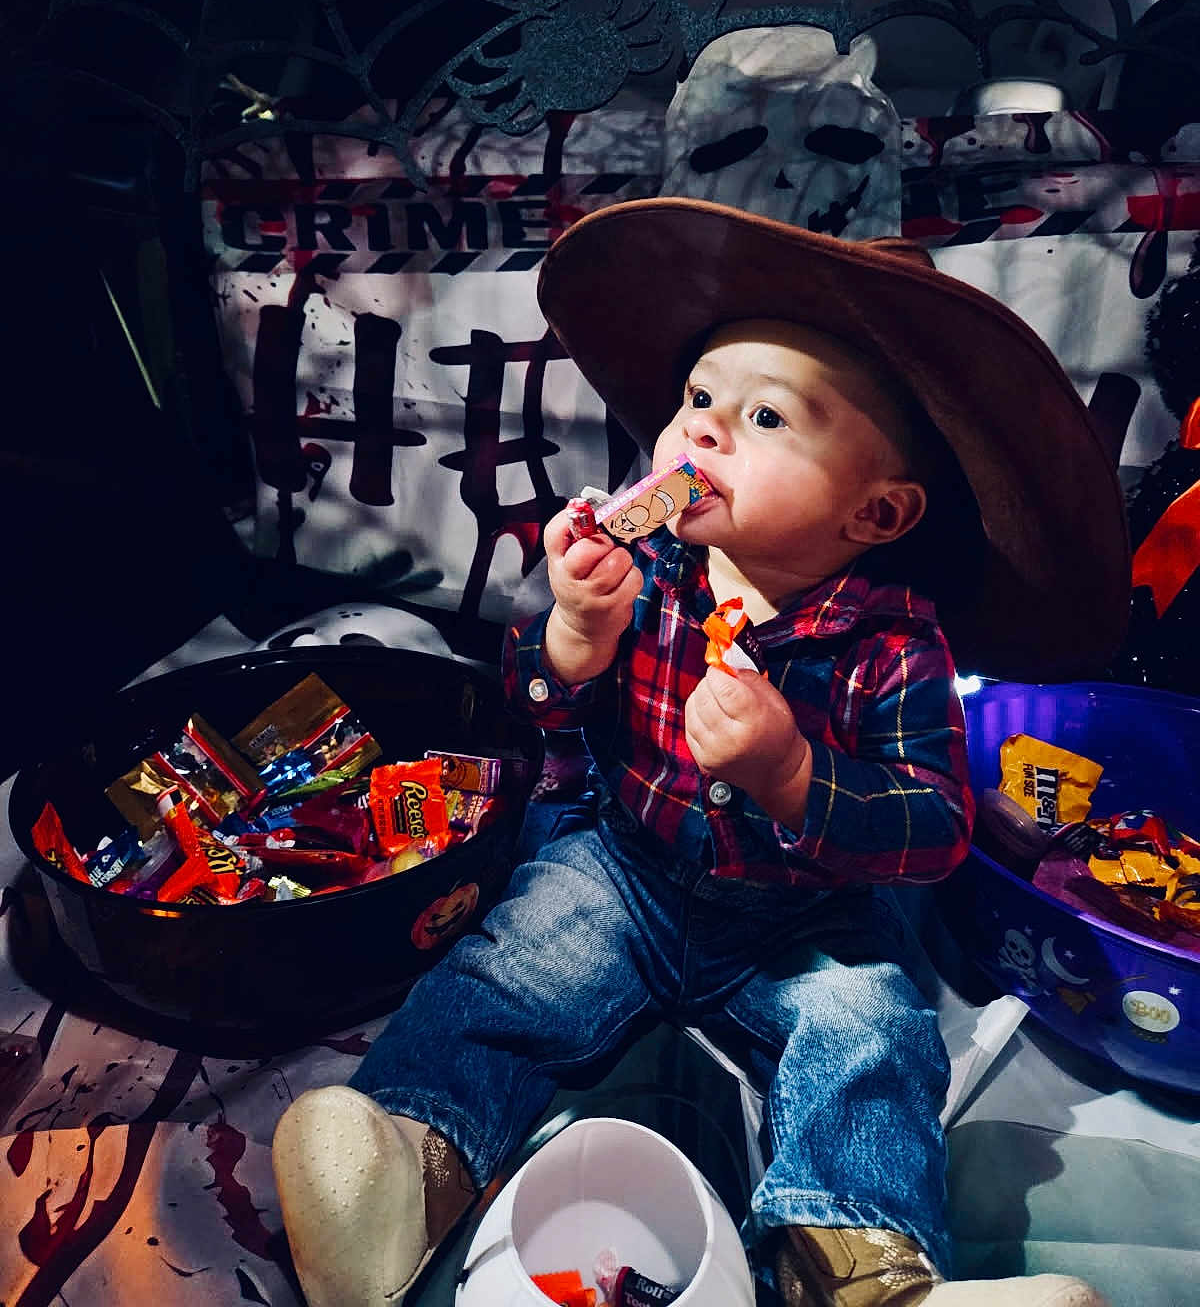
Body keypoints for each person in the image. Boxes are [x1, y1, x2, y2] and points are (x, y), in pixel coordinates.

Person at [271, 198, 1129, 1307]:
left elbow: (934, 831)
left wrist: (797, 776)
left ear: (878, 511)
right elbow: (532, 705)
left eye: (767, 418)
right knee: (517, 963)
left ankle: (863, 1268)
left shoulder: (893, 640)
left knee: (868, 1032)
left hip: (803, 914)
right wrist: (573, 637)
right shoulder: (650, 569)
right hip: (625, 868)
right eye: (698, 397)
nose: (703, 432)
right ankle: (403, 1168)